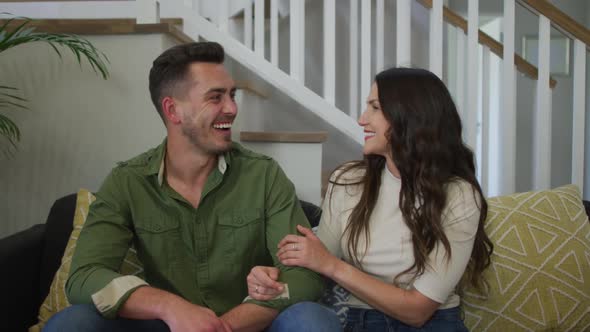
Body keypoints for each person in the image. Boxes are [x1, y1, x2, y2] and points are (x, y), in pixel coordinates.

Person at [43, 42, 329, 332]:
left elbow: (304, 277)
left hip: (249, 324)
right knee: (72, 322)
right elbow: (84, 276)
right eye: (215, 97)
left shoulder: (264, 175)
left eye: (232, 95)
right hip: (166, 325)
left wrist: (223, 325)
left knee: (312, 319)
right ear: (173, 110)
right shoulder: (127, 182)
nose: (231, 108)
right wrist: (170, 307)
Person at [246, 67, 494, 331]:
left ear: (409, 116)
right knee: (302, 317)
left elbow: (418, 310)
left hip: (434, 325)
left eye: (375, 107)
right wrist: (272, 284)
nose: (362, 119)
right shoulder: (348, 181)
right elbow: (318, 266)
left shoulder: (459, 195)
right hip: (363, 322)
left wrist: (332, 266)